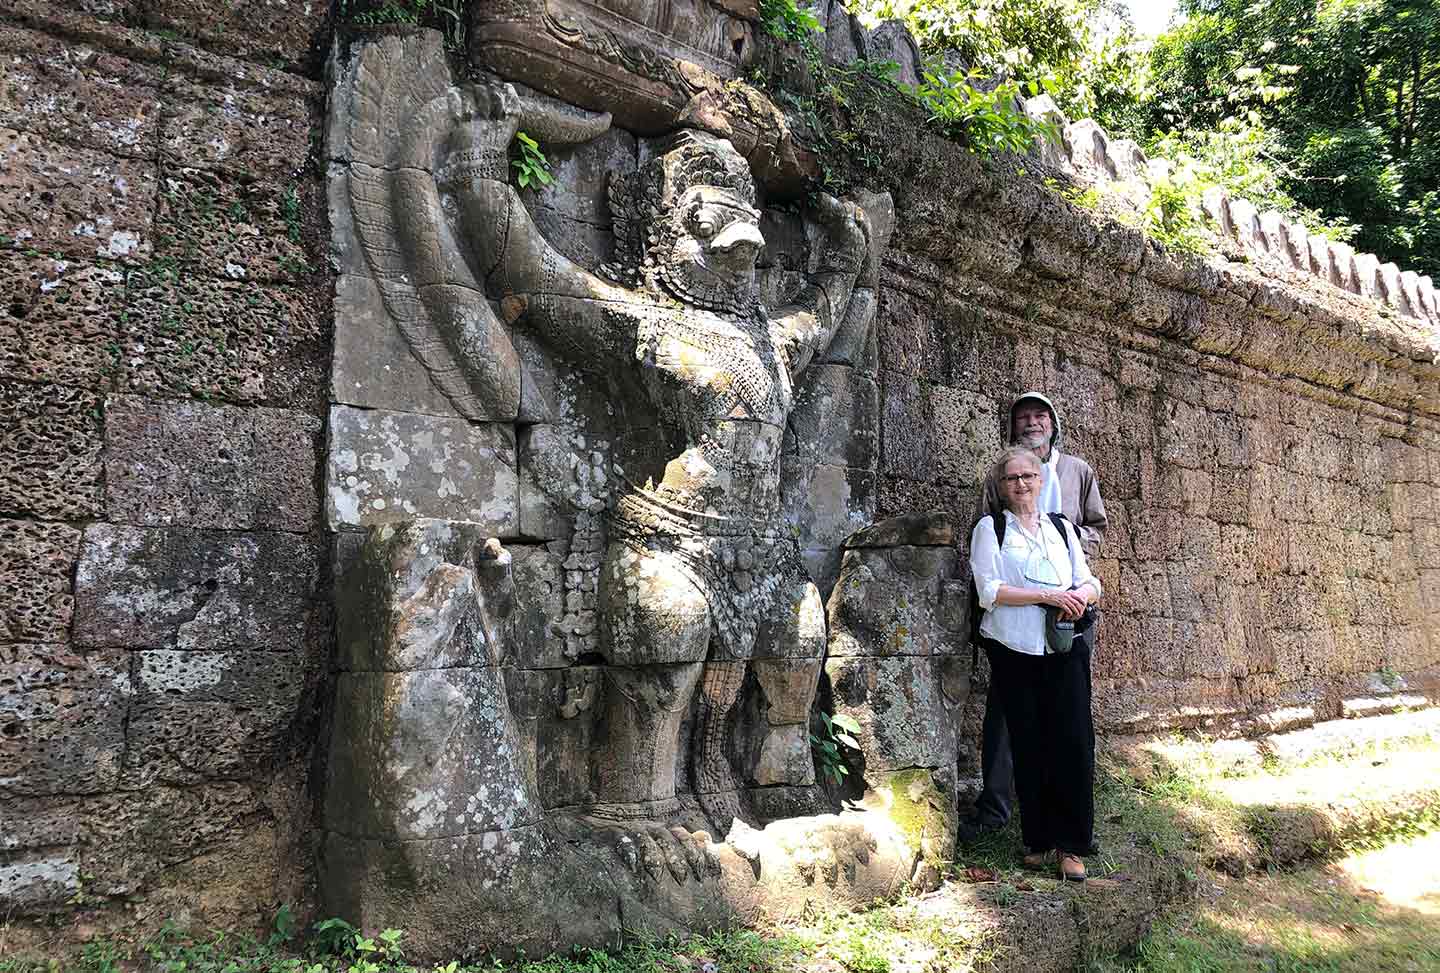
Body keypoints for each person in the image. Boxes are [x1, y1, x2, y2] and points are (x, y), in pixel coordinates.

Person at [963, 392, 1107, 839]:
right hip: (1017, 632)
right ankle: (1004, 812)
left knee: (1069, 731)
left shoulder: (1075, 473)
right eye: (1023, 416)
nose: (1032, 422)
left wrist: (1073, 585)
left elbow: (1094, 535)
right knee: (1013, 725)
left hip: (1065, 625)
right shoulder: (994, 518)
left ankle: (1070, 834)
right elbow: (989, 577)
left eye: (1040, 415)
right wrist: (1045, 591)